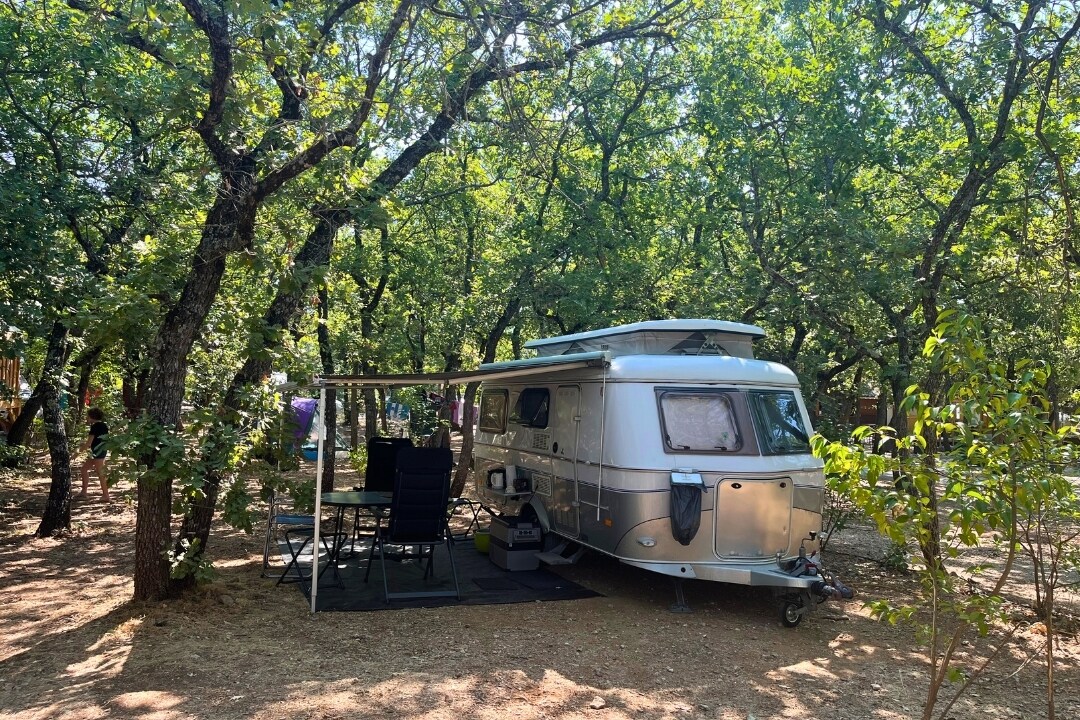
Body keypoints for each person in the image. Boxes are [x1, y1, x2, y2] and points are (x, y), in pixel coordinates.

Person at [76, 407, 109, 502]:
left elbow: (88, 443)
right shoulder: (104, 425)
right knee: (84, 469)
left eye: (87, 416)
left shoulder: (95, 426)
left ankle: (106, 496)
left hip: (98, 452)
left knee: (100, 473)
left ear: (92, 417)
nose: (86, 418)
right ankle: (84, 492)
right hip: (99, 451)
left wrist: (76, 454)